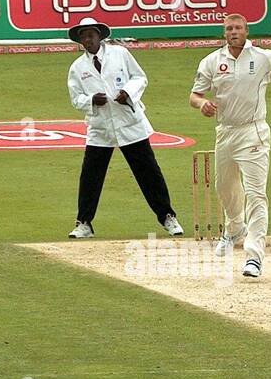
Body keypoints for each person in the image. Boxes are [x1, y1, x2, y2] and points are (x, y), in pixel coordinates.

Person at [189, 14, 271, 279]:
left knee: (256, 193)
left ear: (247, 30)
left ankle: (254, 256)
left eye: (238, 27)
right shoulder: (212, 61)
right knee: (223, 187)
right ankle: (235, 227)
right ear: (224, 33)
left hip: (254, 131)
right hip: (225, 132)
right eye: (229, 28)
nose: (234, 32)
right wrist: (202, 104)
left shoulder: (264, 57)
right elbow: (195, 94)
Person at [65, 18, 183, 240]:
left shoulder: (120, 54)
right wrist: (91, 100)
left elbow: (140, 78)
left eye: (90, 35)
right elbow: (76, 99)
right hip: (100, 128)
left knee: (148, 172)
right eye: (83, 36)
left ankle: (168, 217)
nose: (87, 40)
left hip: (129, 123)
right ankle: (84, 223)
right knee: (90, 176)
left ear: (100, 36)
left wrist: (128, 92)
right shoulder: (77, 67)